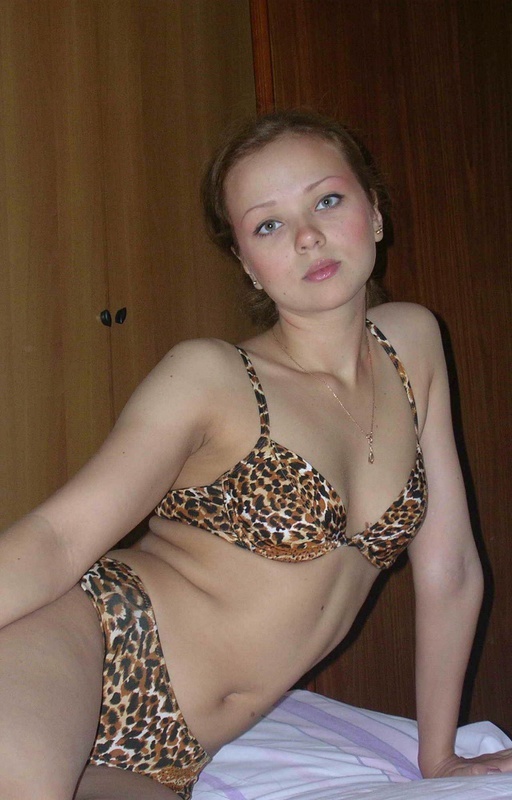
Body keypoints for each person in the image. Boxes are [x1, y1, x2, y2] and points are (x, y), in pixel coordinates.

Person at [1, 109, 511, 800]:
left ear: (375, 212)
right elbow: (58, 540)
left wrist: (439, 757)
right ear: (246, 262)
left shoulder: (413, 343)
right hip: (91, 646)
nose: (307, 237)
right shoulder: (211, 377)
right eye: (268, 224)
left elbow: (449, 569)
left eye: (327, 200)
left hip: (171, 760)